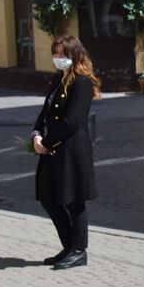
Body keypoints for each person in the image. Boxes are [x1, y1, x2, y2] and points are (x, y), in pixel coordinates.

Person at [32, 35, 100, 270]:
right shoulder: (57, 79)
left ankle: (79, 251)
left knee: (73, 201)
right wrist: (36, 134)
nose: (58, 58)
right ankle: (69, 245)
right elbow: (45, 111)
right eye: (56, 53)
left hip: (71, 150)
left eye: (63, 54)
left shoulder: (82, 82)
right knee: (48, 198)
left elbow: (72, 121)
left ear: (75, 55)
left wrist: (47, 141)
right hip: (51, 149)